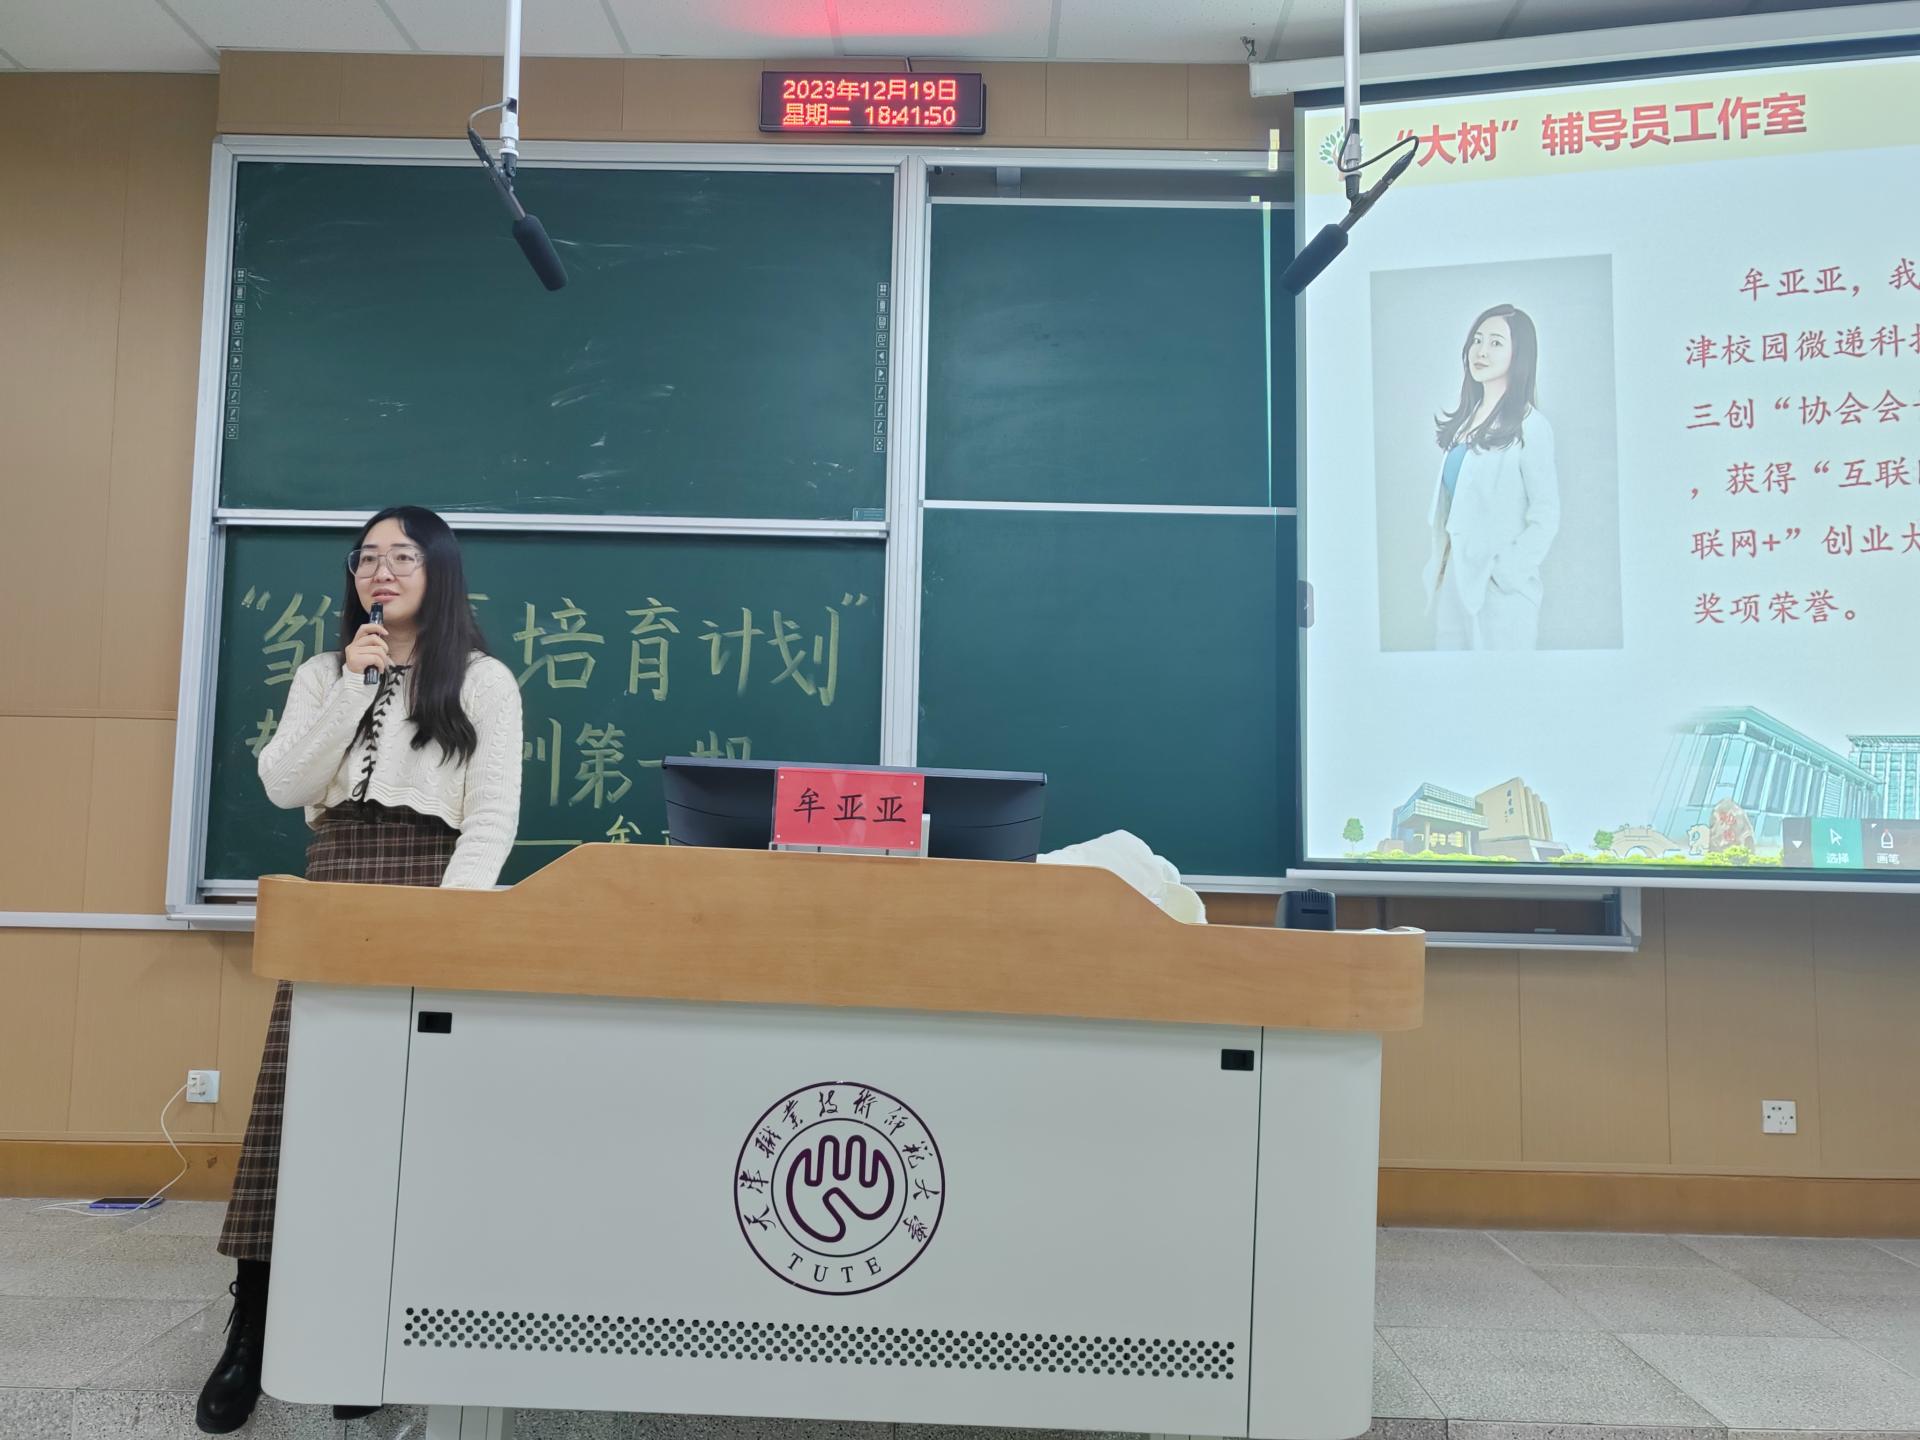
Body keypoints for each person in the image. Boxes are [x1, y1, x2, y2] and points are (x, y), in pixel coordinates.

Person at [197, 507, 522, 1434]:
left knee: (403, 1124)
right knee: (292, 1116)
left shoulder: (484, 681)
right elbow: (284, 784)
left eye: (402, 556)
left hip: (429, 891)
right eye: (367, 557)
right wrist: (353, 683)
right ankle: (252, 1331)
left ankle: (368, 1331)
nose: (381, 570)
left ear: (438, 570)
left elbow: (491, 818)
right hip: (333, 891)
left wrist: (445, 935)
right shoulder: (323, 672)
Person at [1421, 303, 1560, 650]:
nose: (1481, 351)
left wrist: (1505, 573)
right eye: (1477, 340)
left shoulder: (1532, 427)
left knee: (1501, 681)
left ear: (1519, 354)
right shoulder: (1463, 424)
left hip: (1500, 594)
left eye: (1496, 342)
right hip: (1454, 586)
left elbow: (1546, 515)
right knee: (1449, 678)